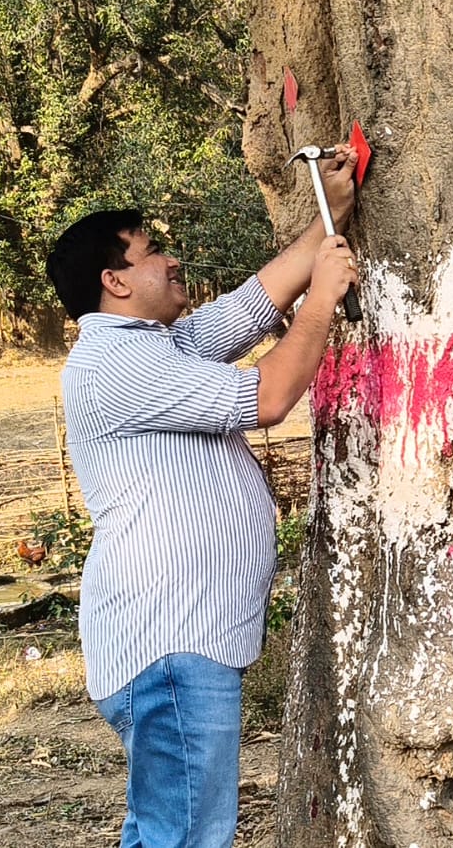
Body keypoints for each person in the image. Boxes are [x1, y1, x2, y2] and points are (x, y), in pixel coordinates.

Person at [44, 144, 359, 848]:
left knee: (168, 832)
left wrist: (328, 211)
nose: (170, 260)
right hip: (167, 644)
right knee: (184, 837)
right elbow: (271, 393)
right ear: (114, 281)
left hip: (180, 643)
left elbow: (255, 303)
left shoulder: (160, 345)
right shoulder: (115, 363)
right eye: (151, 252)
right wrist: (325, 299)